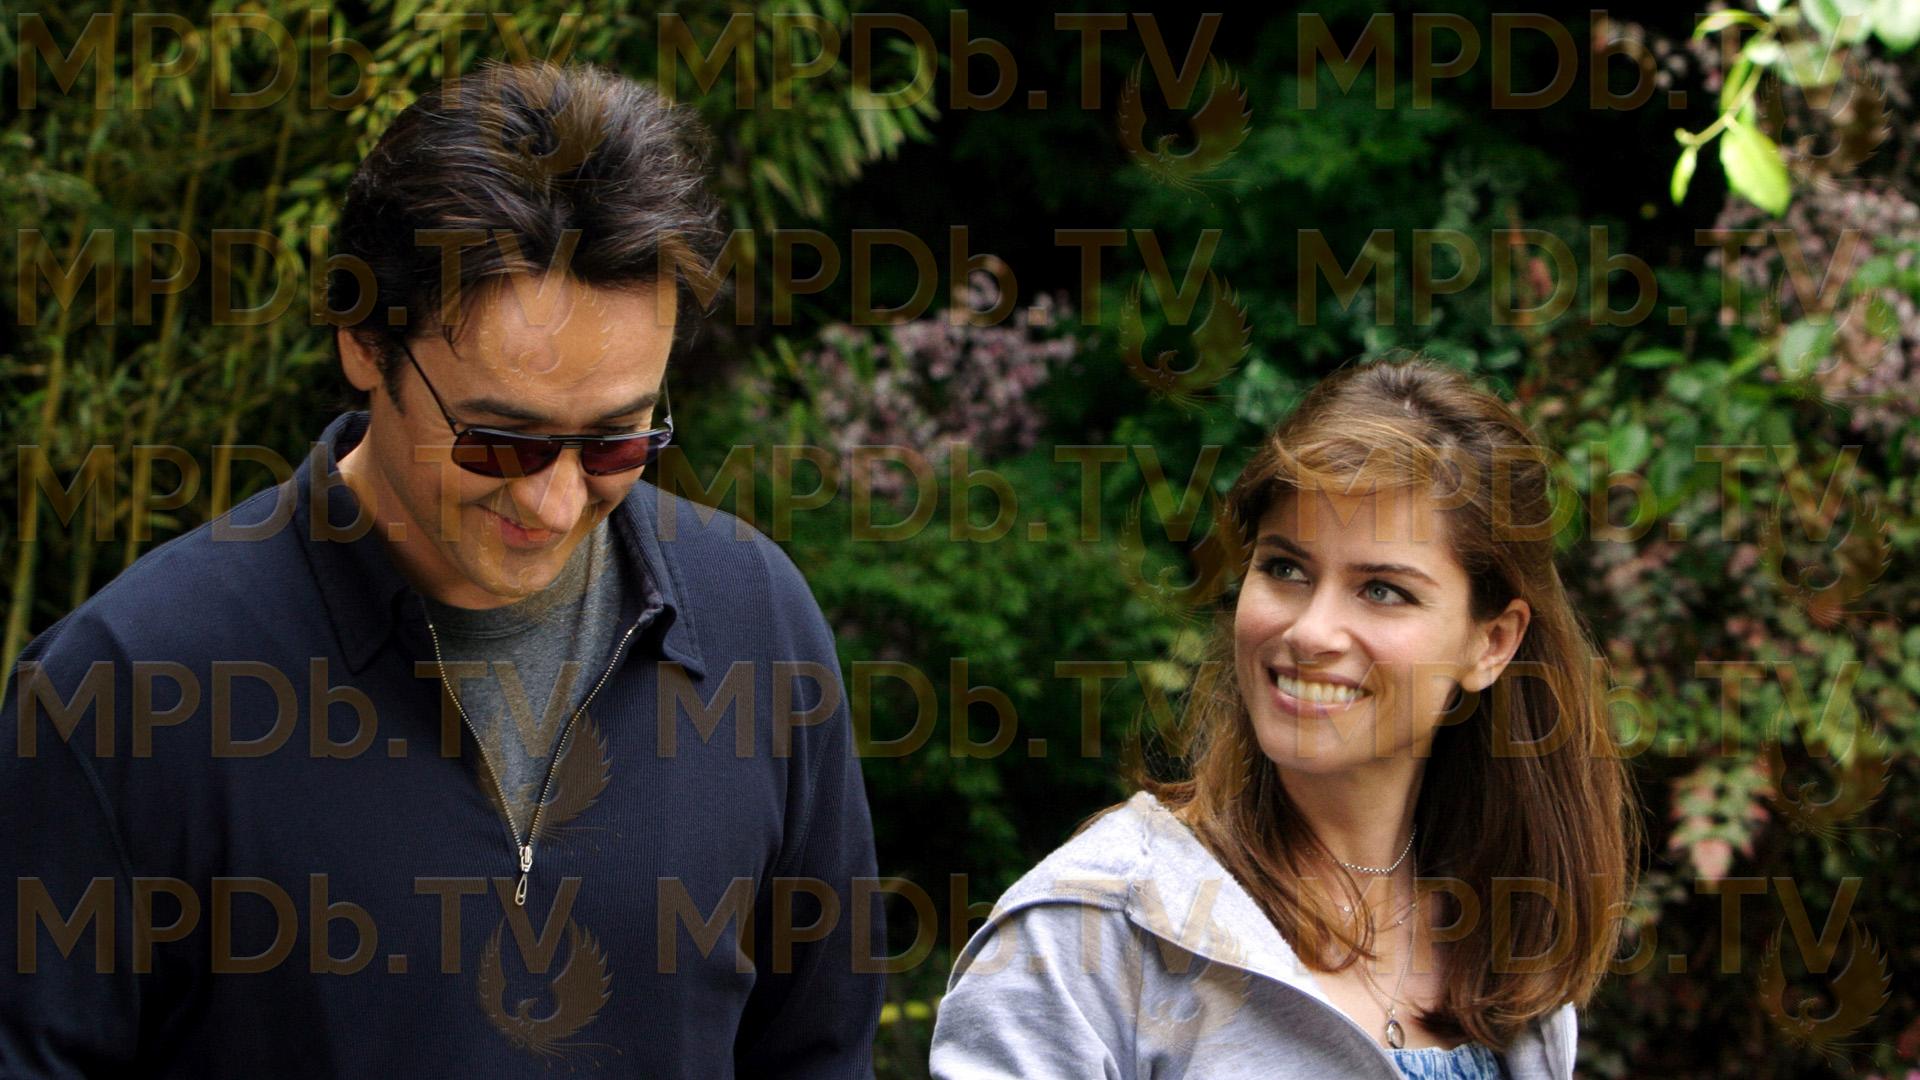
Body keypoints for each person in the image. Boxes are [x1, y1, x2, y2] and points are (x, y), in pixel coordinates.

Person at [2, 61, 883, 1078]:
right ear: (365, 343)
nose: (556, 503)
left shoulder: (757, 623)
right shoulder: (124, 690)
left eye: (616, 442)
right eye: (502, 441)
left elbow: (820, 1054)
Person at [929, 358, 1642, 1079]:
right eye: (1286, 569)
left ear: (1492, 643)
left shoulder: (1503, 937)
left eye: (1383, 590)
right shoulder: (1088, 935)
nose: (1311, 631)